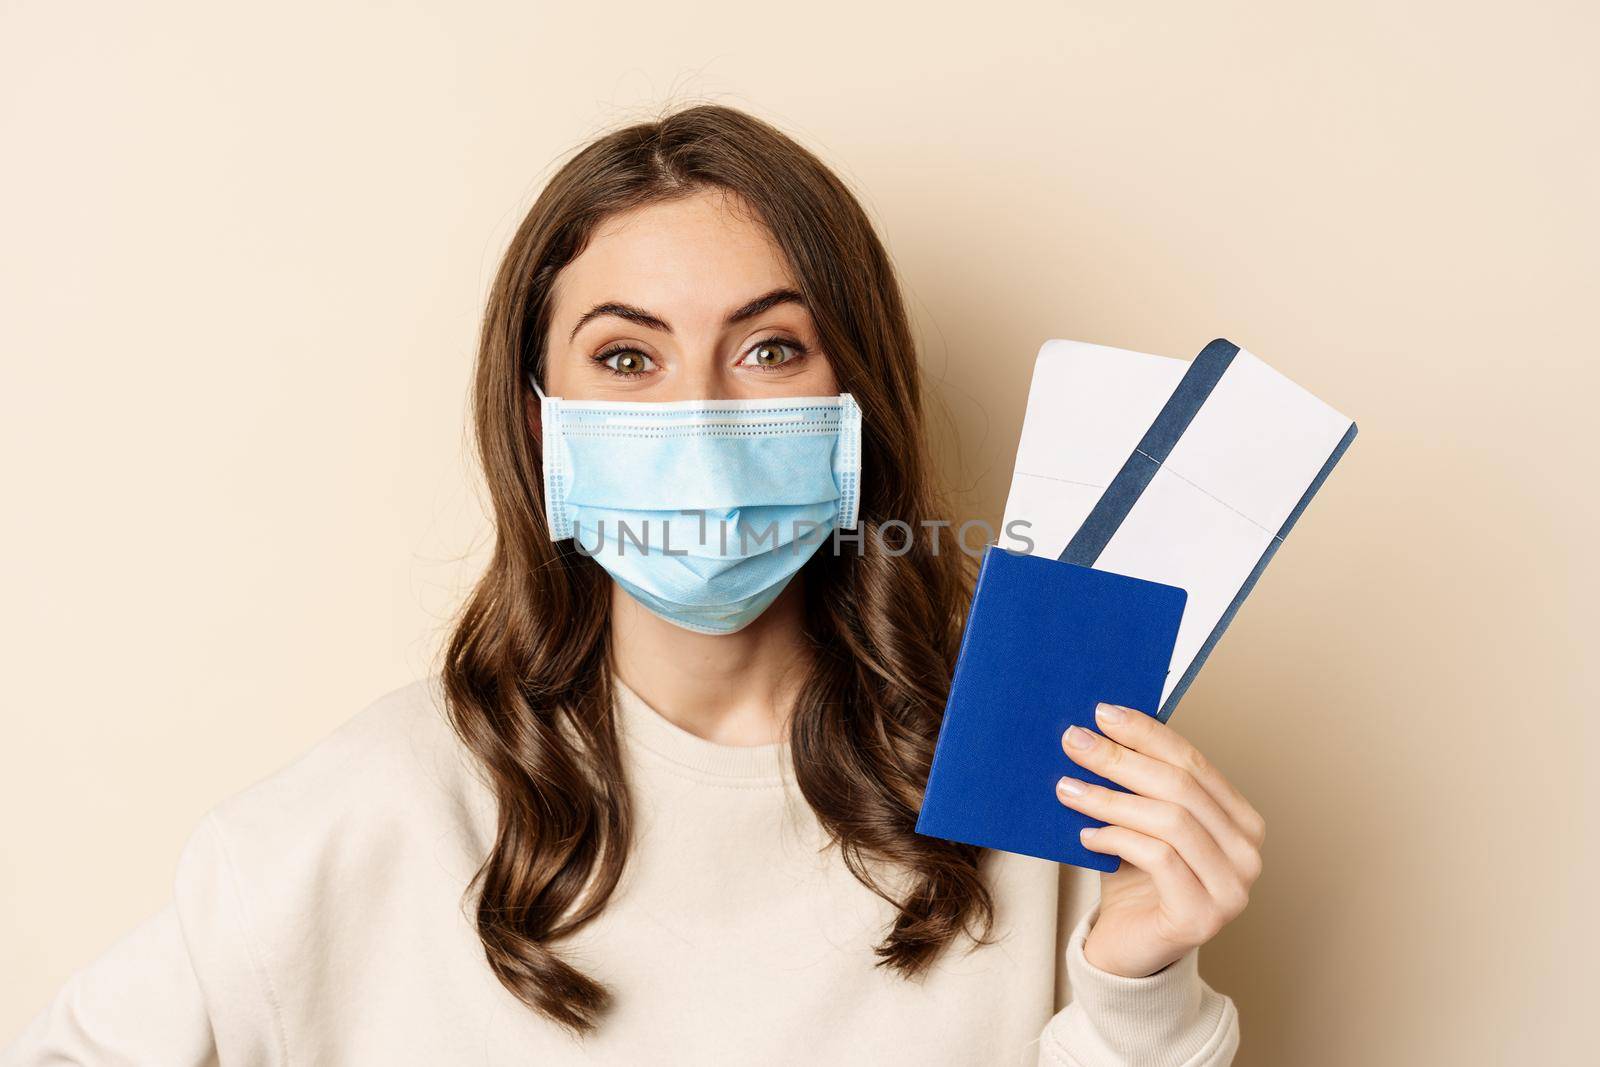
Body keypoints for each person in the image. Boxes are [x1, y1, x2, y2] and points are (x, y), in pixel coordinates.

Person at [3, 103, 1261, 1066]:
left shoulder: (1035, 792)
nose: (703, 421)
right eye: (626, 356)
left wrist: (1137, 985)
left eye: (770, 347)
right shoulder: (355, 821)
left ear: (855, 404)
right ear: (538, 416)